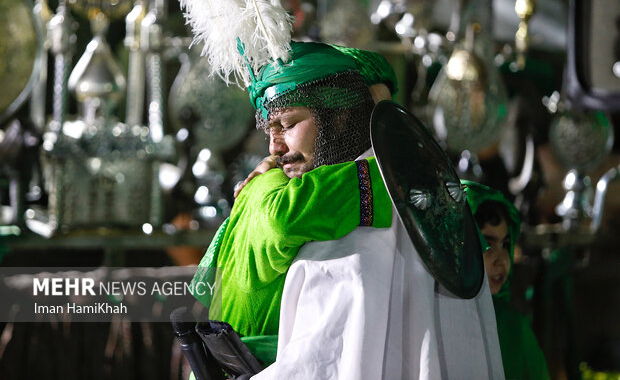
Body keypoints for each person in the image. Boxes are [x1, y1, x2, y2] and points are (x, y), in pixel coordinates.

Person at [187, 41, 504, 379]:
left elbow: (321, 364)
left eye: (289, 124)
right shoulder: (428, 194)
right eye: (270, 130)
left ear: (339, 117)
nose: (274, 148)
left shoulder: (344, 224)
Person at [464, 180, 551, 380]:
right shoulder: (426, 318)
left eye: (506, 244)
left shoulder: (512, 325)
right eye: (487, 243)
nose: (502, 259)